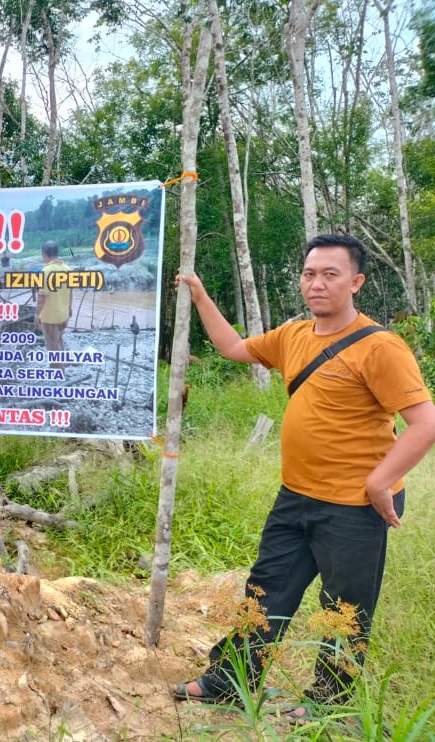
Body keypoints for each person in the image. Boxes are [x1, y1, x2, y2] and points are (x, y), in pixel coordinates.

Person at [172, 234, 435, 716]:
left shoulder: (381, 347)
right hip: (296, 496)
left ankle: (331, 703)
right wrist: (200, 295)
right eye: (310, 274)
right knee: (266, 588)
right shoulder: (293, 336)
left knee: (344, 608)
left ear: (355, 282)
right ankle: (229, 681)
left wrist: (380, 483)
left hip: (356, 505)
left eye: (330, 275)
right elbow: (232, 346)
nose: (317, 284)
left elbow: (425, 423)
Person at [35, 241, 72, 363]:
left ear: (45, 254)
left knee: (52, 344)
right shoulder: (67, 269)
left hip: (50, 316)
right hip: (63, 314)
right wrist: (69, 309)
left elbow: (42, 297)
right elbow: (70, 292)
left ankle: (58, 371)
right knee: (59, 340)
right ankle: (63, 365)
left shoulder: (46, 271)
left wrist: (37, 315)